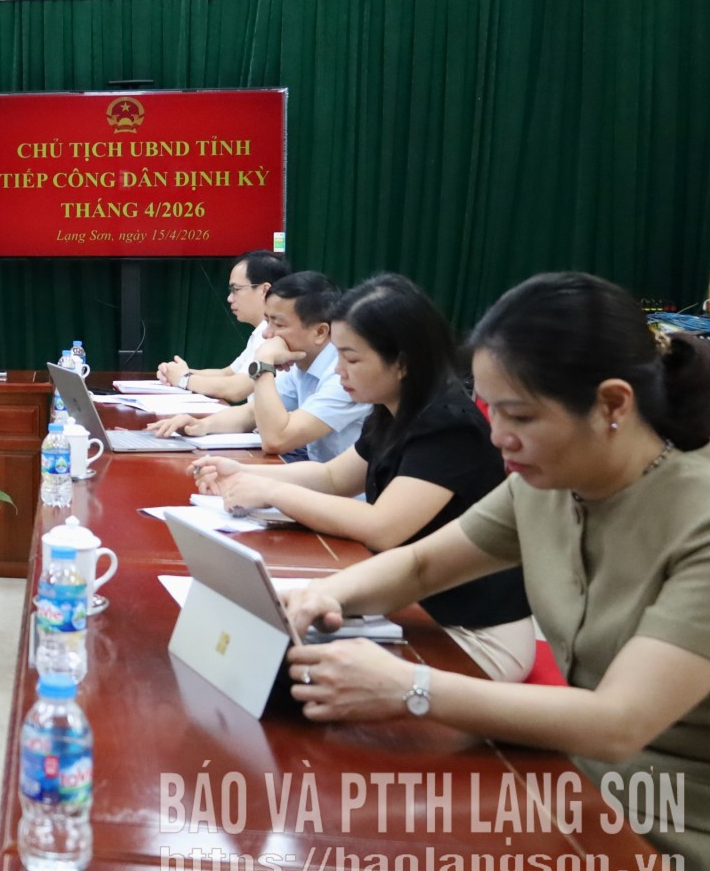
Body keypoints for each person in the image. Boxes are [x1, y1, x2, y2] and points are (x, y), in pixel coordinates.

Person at [279, 273, 710, 871]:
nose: (499, 437)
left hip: (690, 847)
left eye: (519, 416)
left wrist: (410, 687)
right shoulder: (554, 479)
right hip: (573, 792)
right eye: (491, 410)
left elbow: (618, 721)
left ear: (613, 404)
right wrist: (327, 595)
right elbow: (423, 565)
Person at [189, 275, 533, 680]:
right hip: (411, 604)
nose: (339, 371)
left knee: (279, 673)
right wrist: (243, 471)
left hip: (469, 632)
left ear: (401, 362)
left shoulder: (447, 424)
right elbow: (333, 477)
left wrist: (273, 491)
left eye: (351, 359)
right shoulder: (393, 410)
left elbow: (382, 527)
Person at [150, 270, 369, 462]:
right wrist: (201, 425)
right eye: (267, 321)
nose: (267, 334)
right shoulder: (300, 362)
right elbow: (252, 412)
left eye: (278, 324)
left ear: (320, 332)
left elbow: (276, 440)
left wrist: (264, 361)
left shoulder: (344, 375)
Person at [156, 250, 291, 403]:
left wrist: (184, 379)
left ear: (264, 290)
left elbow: (235, 389)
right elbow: (228, 373)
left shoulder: (275, 334)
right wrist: (174, 373)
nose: (229, 298)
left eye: (236, 290)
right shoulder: (260, 332)